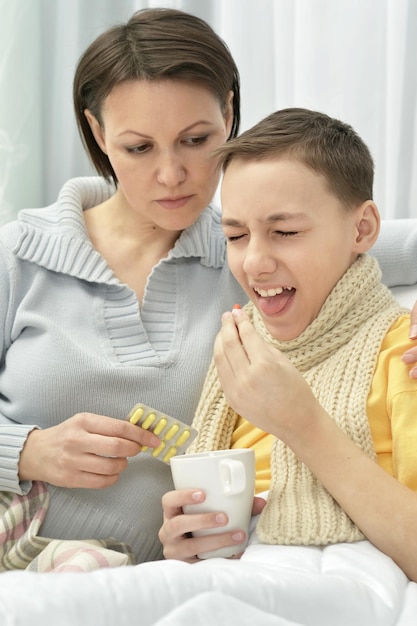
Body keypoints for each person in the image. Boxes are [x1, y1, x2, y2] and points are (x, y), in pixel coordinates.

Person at [0, 8, 416, 568]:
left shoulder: (249, 252)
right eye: (139, 148)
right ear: (99, 134)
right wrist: (26, 451)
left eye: (195, 140)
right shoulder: (18, 256)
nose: (172, 175)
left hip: (151, 578)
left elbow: (363, 239)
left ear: (228, 114)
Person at [159, 108, 417, 582]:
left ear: (361, 230)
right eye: (235, 235)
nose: (254, 262)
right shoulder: (240, 363)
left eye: (286, 233)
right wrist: (188, 545)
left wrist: (301, 423)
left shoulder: (405, 353)